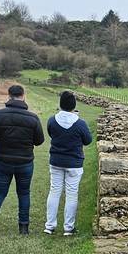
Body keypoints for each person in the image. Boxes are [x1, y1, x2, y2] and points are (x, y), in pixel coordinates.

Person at [0, 84, 44, 235]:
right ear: (23, 96)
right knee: (23, 193)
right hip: (25, 162)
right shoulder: (33, 118)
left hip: (3, 160)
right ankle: (23, 226)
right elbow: (39, 141)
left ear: (9, 96)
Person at [44, 91, 93, 236]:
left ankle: (50, 225)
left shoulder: (52, 120)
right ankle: (68, 227)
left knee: (54, 191)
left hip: (56, 161)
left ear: (60, 104)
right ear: (74, 105)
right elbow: (88, 140)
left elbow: (51, 133)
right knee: (71, 194)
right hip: (74, 163)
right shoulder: (80, 123)